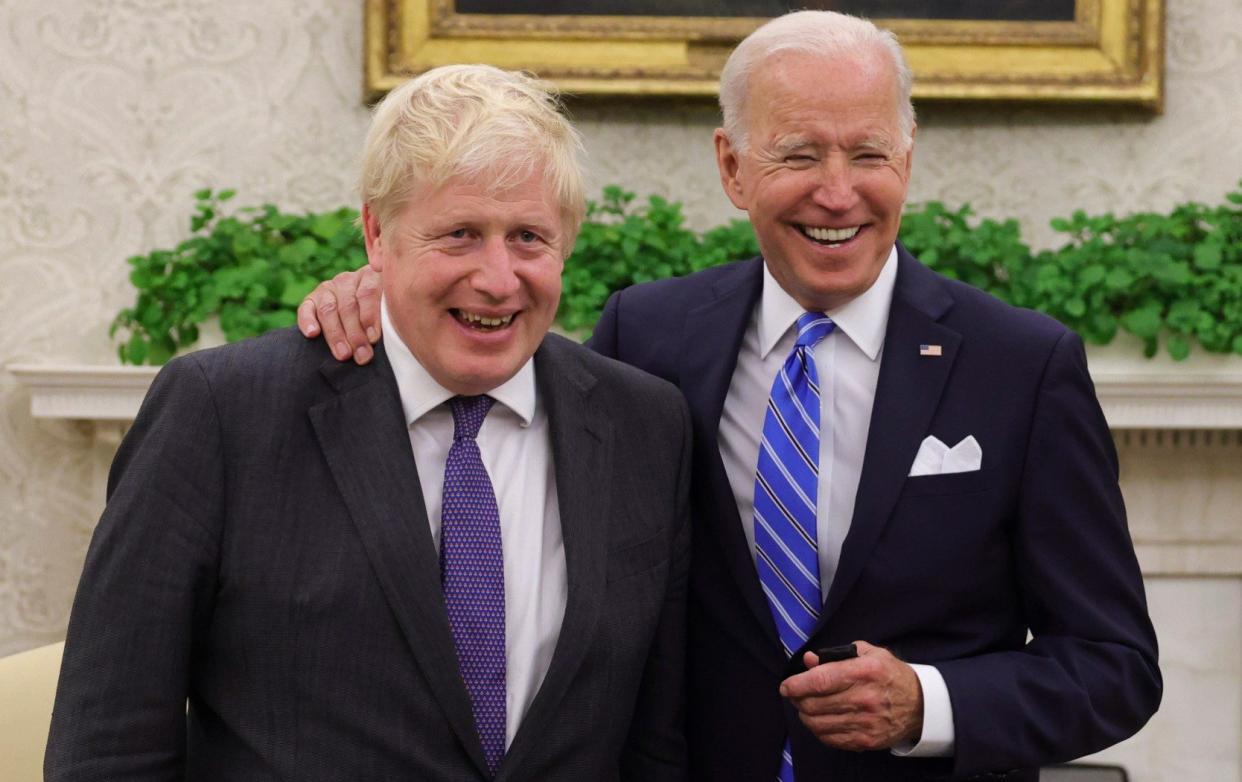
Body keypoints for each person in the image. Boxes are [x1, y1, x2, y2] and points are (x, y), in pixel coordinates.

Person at [299, 12, 1161, 781]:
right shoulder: (651, 336)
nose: (837, 191)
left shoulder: (1022, 364)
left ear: (906, 158)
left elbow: (1115, 666)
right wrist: (377, 290)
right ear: (733, 166)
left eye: (867, 154)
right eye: (797, 153)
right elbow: (493, 373)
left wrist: (925, 703)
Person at [46, 64, 692, 782]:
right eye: (459, 234)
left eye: (530, 238)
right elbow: (109, 745)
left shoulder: (645, 425)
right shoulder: (223, 414)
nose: (499, 277)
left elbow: (656, 743)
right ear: (377, 235)